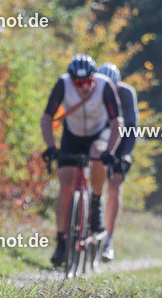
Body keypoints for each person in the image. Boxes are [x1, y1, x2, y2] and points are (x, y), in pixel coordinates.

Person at [40, 53, 124, 267]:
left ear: (93, 77)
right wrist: (51, 147)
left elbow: (117, 122)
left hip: (99, 133)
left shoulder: (105, 86)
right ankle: (61, 241)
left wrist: (110, 151)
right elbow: (47, 117)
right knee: (66, 185)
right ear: (71, 80)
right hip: (73, 136)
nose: (84, 87)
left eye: (87, 81)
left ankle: (95, 203)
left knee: (98, 155)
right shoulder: (63, 84)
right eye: (78, 83)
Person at [95, 62, 138, 261]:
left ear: (118, 86)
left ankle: (109, 241)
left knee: (115, 185)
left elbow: (131, 129)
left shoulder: (127, 94)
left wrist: (123, 156)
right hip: (99, 137)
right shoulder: (93, 89)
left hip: (121, 140)